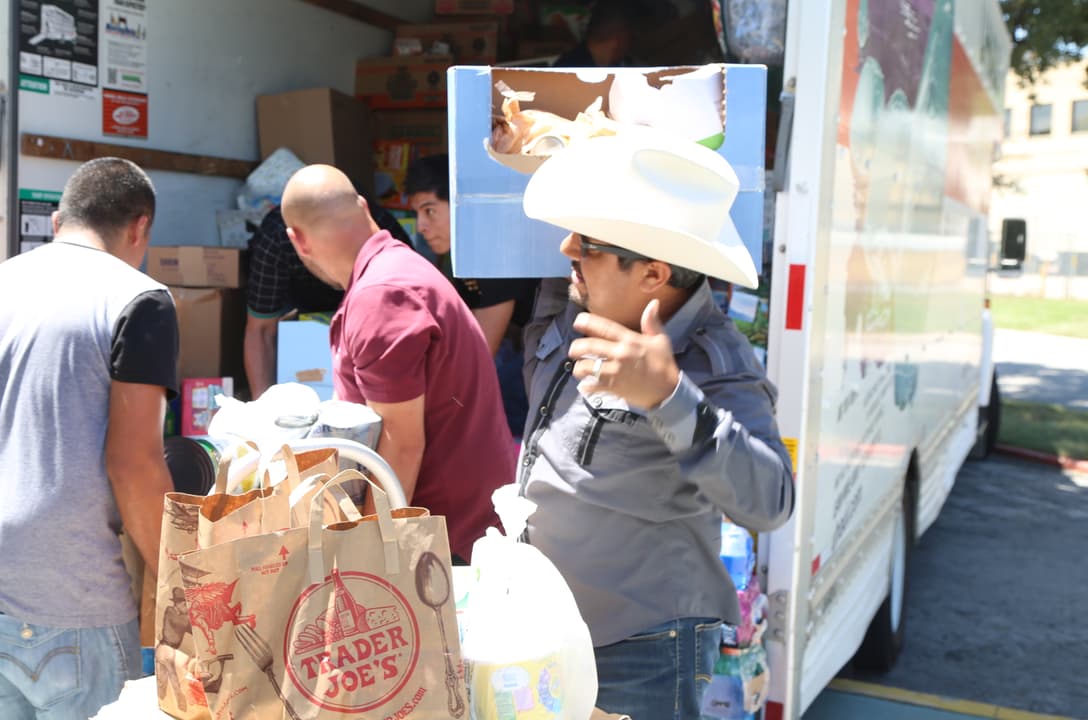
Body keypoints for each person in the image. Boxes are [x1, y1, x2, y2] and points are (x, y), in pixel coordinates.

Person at [516, 134, 794, 718]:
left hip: (640, 654)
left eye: (587, 242)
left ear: (652, 274)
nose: (567, 247)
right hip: (550, 632)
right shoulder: (581, 296)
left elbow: (772, 499)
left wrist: (669, 398)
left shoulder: (712, 361)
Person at [0, 157, 178, 719]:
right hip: (65, 601)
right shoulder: (140, 299)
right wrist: (186, 580)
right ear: (140, 228)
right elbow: (135, 464)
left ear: (60, 221)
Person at [280, 164, 515, 561]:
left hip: (442, 542)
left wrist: (366, 557)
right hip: (454, 526)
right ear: (362, 207)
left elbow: (400, 448)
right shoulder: (394, 271)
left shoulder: (381, 295)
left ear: (297, 240)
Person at [404, 154, 537, 438]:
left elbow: (480, 352)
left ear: (458, 203)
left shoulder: (491, 246)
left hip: (534, 357)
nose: (421, 226)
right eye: (417, 214)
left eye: (429, 211)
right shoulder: (460, 250)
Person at [243, 198, 412, 400]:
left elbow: (405, 324)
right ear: (299, 241)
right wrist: (262, 410)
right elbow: (261, 329)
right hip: (303, 323)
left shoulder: (382, 232)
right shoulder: (275, 238)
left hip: (372, 319)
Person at [552, 0, 642, 68]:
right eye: (632, 35)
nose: (633, 42)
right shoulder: (568, 70)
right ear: (620, 37)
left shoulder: (622, 66)